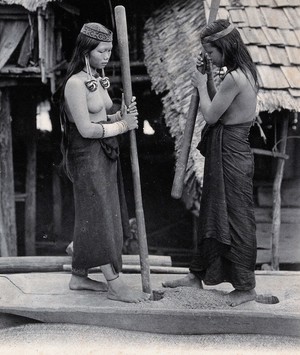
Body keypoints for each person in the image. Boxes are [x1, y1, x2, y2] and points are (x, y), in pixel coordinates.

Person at [163, 19, 259, 307]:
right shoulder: (242, 73)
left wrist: (201, 85)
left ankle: (245, 287)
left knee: (235, 217)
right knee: (212, 212)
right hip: (227, 151)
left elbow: (211, 115)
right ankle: (197, 274)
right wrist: (208, 79)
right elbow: (221, 104)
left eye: (212, 53)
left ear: (225, 48)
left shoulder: (235, 78)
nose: (211, 58)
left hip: (231, 152)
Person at [55, 22, 150, 303]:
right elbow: (86, 129)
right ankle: (114, 283)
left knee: (107, 211)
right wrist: (123, 125)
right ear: (87, 50)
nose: (107, 56)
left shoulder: (94, 77)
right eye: (102, 51)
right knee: (98, 215)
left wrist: (121, 113)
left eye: (110, 50)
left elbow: (104, 117)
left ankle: (79, 276)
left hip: (104, 153)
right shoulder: (74, 83)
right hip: (86, 155)